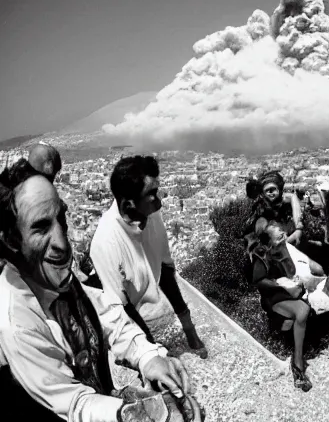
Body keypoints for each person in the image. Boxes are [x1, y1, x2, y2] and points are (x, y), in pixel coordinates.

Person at [0, 159, 202, 422]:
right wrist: (132, 413)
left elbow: (100, 309)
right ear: (12, 240)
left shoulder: (47, 279)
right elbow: (72, 403)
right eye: (41, 228)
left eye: (60, 219)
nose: (62, 242)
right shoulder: (17, 320)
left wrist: (148, 356)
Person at [90, 155, 207, 357]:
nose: (160, 202)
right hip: (115, 310)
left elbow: (166, 272)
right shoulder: (106, 243)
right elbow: (122, 311)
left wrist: (189, 329)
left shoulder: (151, 213)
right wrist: (152, 353)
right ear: (128, 206)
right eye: (152, 194)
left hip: (136, 295)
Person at [249, 217, 314, 392]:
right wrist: (279, 283)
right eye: (278, 237)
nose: (283, 238)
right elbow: (259, 280)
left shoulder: (284, 249)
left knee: (300, 315)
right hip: (274, 296)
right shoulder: (261, 255)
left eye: (283, 234)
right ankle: (298, 363)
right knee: (303, 311)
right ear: (269, 240)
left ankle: (289, 335)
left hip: (289, 290)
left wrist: (294, 279)